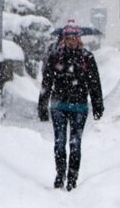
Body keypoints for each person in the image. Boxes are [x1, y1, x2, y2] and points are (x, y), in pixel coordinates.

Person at [38, 23, 104, 191]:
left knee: (75, 143)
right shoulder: (56, 57)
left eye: (74, 38)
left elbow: (94, 83)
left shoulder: (87, 58)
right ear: (64, 39)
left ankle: (72, 178)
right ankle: (60, 174)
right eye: (68, 38)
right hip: (58, 105)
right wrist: (43, 105)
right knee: (60, 142)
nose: (72, 41)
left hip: (79, 106)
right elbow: (47, 82)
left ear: (79, 39)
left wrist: (98, 106)